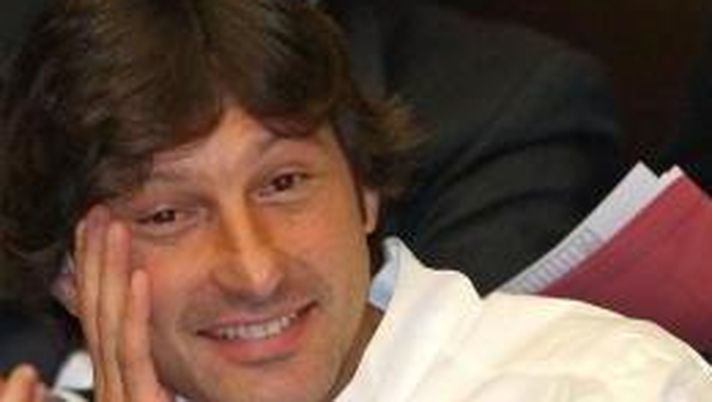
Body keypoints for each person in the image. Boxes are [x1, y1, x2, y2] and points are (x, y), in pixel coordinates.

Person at [0, 1, 710, 401]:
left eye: (284, 184)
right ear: (69, 273)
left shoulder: (598, 388)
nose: (255, 271)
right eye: (167, 216)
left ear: (365, 190)